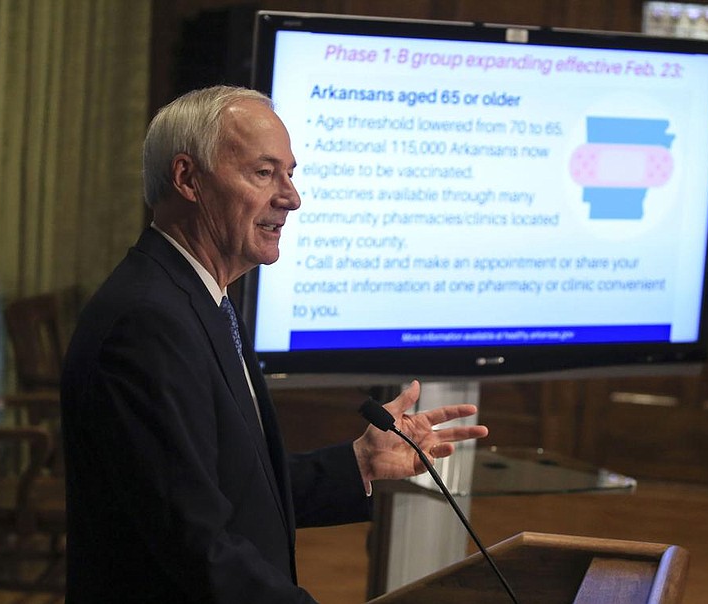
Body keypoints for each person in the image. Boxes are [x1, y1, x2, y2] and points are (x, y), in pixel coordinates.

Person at [60, 85, 488, 603]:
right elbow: (193, 544)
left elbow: (229, 489)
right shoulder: (147, 323)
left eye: (291, 174)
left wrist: (359, 462)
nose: (291, 197)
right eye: (264, 173)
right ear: (187, 178)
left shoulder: (199, 301)